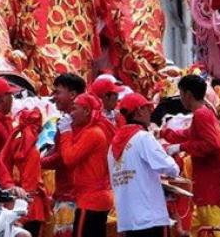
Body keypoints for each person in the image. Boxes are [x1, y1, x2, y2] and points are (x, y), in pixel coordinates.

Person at [161, 75, 220, 237]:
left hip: (209, 186)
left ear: (188, 94)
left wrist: (179, 147)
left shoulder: (201, 114)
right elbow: (189, 134)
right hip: (206, 185)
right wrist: (164, 133)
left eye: (181, 93)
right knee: (198, 230)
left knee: (213, 230)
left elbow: (212, 144)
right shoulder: (204, 113)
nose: (181, 98)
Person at [109, 93, 179, 236]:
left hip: (127, 221)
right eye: (148, 108)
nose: (151, 112)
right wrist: (171, 154)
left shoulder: (112, 146)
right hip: (150, 219)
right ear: (139, 111)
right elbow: (171, 169)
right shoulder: (143, 137)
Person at [58, 93, 112, 237]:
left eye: (74, 109)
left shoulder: (92, 133)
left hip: (91, 200)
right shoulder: (91, 131)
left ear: (87, 111)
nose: (71, 113)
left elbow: (69, 158)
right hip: (93, 198)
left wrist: (65, 132)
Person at [41, 72, 85, 237]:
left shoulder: (76, 122)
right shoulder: (66, 120)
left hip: (73, 194)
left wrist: (37, 163)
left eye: (58, 92)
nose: (54, 97)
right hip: (66, 192)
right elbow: (57, 150)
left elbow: (63, 157)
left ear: (73, 94)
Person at [1, 108, 49, 237]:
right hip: (30, 208)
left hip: (12, 203)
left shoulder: (15, 143)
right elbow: (30, 185)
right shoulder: (32, 152)